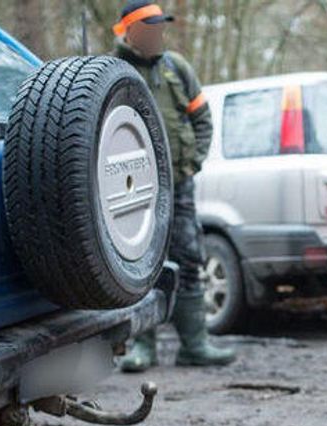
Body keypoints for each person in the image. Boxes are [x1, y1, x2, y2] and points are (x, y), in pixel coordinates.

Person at [112, 1, 237, 371]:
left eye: (160, 27)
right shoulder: (113, 71)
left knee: (189, 257)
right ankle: (142, 347)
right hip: (132, 191)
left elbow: (202, 120)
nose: (158, 35)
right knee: (138, 266)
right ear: (129, 31)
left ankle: (195, 345)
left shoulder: (176, 68)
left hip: (179, 185)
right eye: (150, 28)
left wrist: (192, 162)